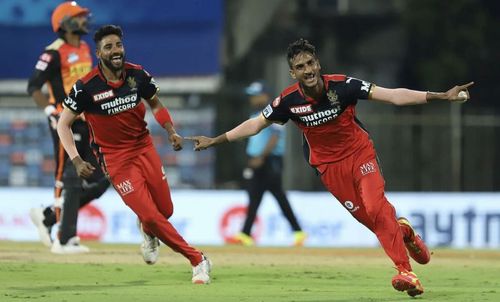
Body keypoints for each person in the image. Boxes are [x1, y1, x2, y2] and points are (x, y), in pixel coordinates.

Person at [187, 38, 474, 296]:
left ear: (318, 63)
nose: (308, 69)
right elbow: (255, 125)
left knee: (376, 209)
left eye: (311, 63)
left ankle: (405, 272)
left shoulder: (343, 85)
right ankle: (407, 234)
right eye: (300, 66)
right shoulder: (288, 101)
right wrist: (215, 140)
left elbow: (393, 95)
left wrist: (440, 96)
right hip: (329, 170)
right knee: (376, 224)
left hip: (360, 155)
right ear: (293, 73)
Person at [57, 24, 211, 284]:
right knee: (151, 214)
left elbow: (156, 104)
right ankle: (198, 259)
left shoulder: (137, 75)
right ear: (99, 54)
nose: (116, 50)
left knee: (165, 211)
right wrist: (76, 158)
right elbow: (63, 124)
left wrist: (170, 130)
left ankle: (148, 231)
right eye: (109, 47)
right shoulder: (86, 87)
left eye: (118, 45)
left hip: (144, 148)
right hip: (115, 159)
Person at [27, 1, 109, 253]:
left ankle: (49, 217)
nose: (85, 20)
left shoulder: (85, 48)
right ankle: (64, 239)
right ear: (66, 23)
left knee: (100, 179)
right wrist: (51, 111)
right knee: (68, 174)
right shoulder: (52, 52)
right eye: (80, 17)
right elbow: (33, 87)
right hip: (63, 121)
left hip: (86, 122)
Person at [231, 80, 306, 246]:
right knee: (259, 197)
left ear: (265, 96)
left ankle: (298, 232)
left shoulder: (275, 112)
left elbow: (274, 137)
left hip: (269, 162)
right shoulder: (255, 115)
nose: (251, 99)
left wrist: (261, 157)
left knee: (272, 197)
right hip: (259, 161)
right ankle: (246, 234)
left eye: (255, 96)